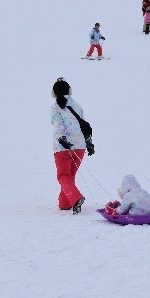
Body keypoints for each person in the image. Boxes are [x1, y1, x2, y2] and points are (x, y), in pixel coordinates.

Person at [51, 78, 93, 213]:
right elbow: (85, 124)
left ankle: (76, 198)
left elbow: (58, 125)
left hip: (63, 147)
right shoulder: (77, 106)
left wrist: (62, 138)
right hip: (80, 146)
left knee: (63, 176)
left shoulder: (55, 107)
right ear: (70, 91)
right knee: (70, 176)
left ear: (54, 93)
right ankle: (65, 204)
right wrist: (89, 142)